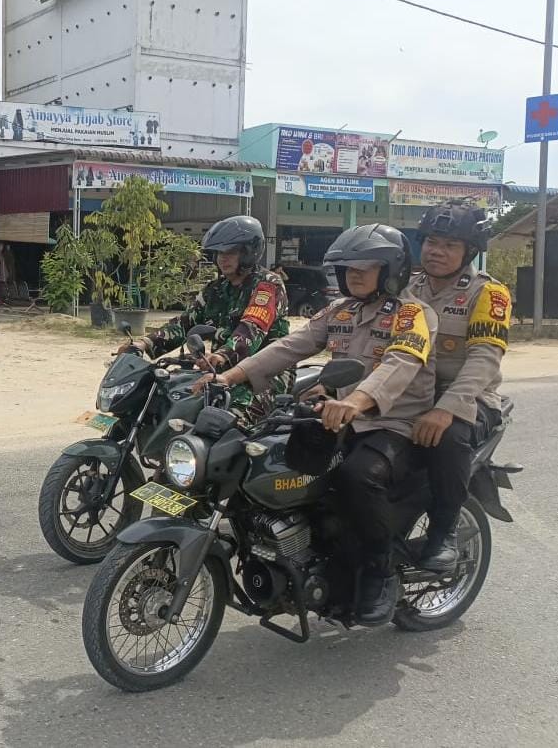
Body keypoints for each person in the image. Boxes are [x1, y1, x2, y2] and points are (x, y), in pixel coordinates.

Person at [201, 224, 438, 626]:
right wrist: (230, 376)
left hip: (392, 422)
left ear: (391, 268)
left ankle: (380, 573)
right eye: (347, 268)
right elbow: (290, 346)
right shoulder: (339, 310)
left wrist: (356, 402)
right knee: (271, 461)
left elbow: (400, 365)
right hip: (337, 415)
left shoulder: (413, 314)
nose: (354, 275)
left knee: (354, 477)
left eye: (364, 267)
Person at [405, 200, 511, 572]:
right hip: (412, 392)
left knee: (447, 437)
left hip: (470, 398)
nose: (437, 251)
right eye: (433, 241)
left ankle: (443, 531)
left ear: (469, 251)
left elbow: (483, 360)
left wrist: (444, 408)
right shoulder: (407, 286)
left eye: (450, 245)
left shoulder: (489, 294)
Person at [122, 215, 290, 420]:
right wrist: (145, 343)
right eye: (219, 252)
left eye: (230, 252)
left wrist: (223, 354)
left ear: (248, 252)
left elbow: (251, 328)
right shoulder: (216, 289)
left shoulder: (267, 285)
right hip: (220, 372)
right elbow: (185, 323)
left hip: (264, 375)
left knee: (227, 422)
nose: (222, 258)